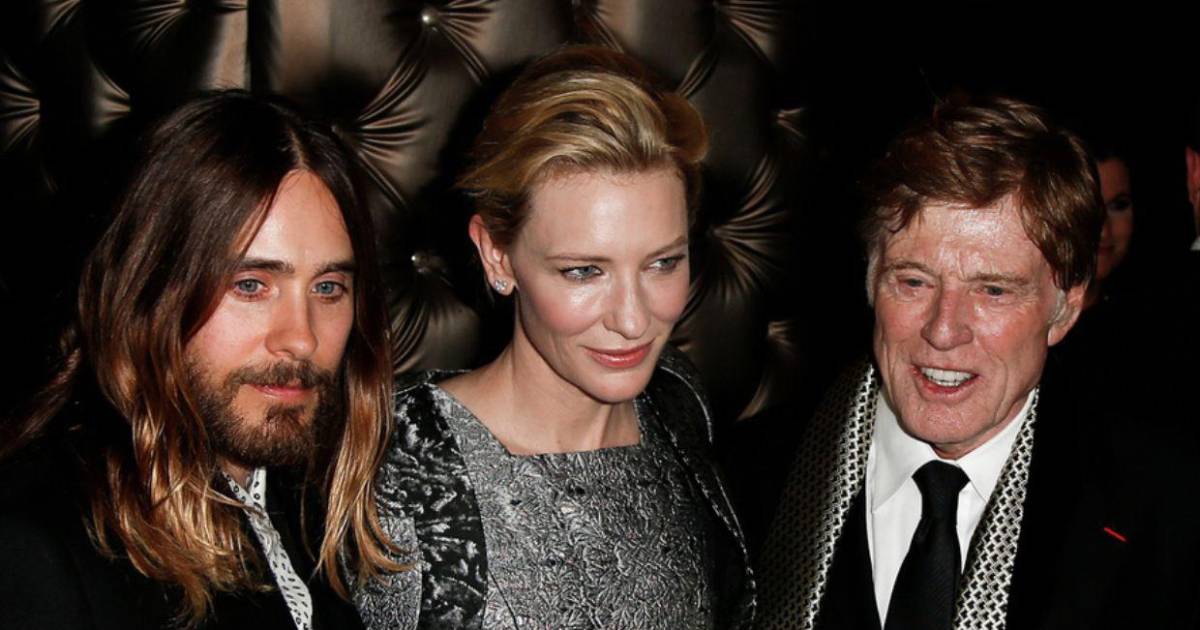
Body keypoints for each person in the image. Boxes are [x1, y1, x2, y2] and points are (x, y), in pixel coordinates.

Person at [758, 97, 1200, 629]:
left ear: (1065, 309)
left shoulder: (1165, 511)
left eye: (993, 291)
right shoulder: (747, 483)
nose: (943, 330)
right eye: (914, 281)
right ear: (872, 281)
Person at [353, 46, 754, 630]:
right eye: (583, 271)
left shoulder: (679, 402)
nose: (633, 320)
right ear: (497, 255)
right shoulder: (393, 459)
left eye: (663, 263)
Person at [0, 91, 399, 629]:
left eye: (328, 288)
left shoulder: (305, 498)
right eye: (251, 285)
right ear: (148, 292)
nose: (302, 339)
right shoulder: (34, 545)